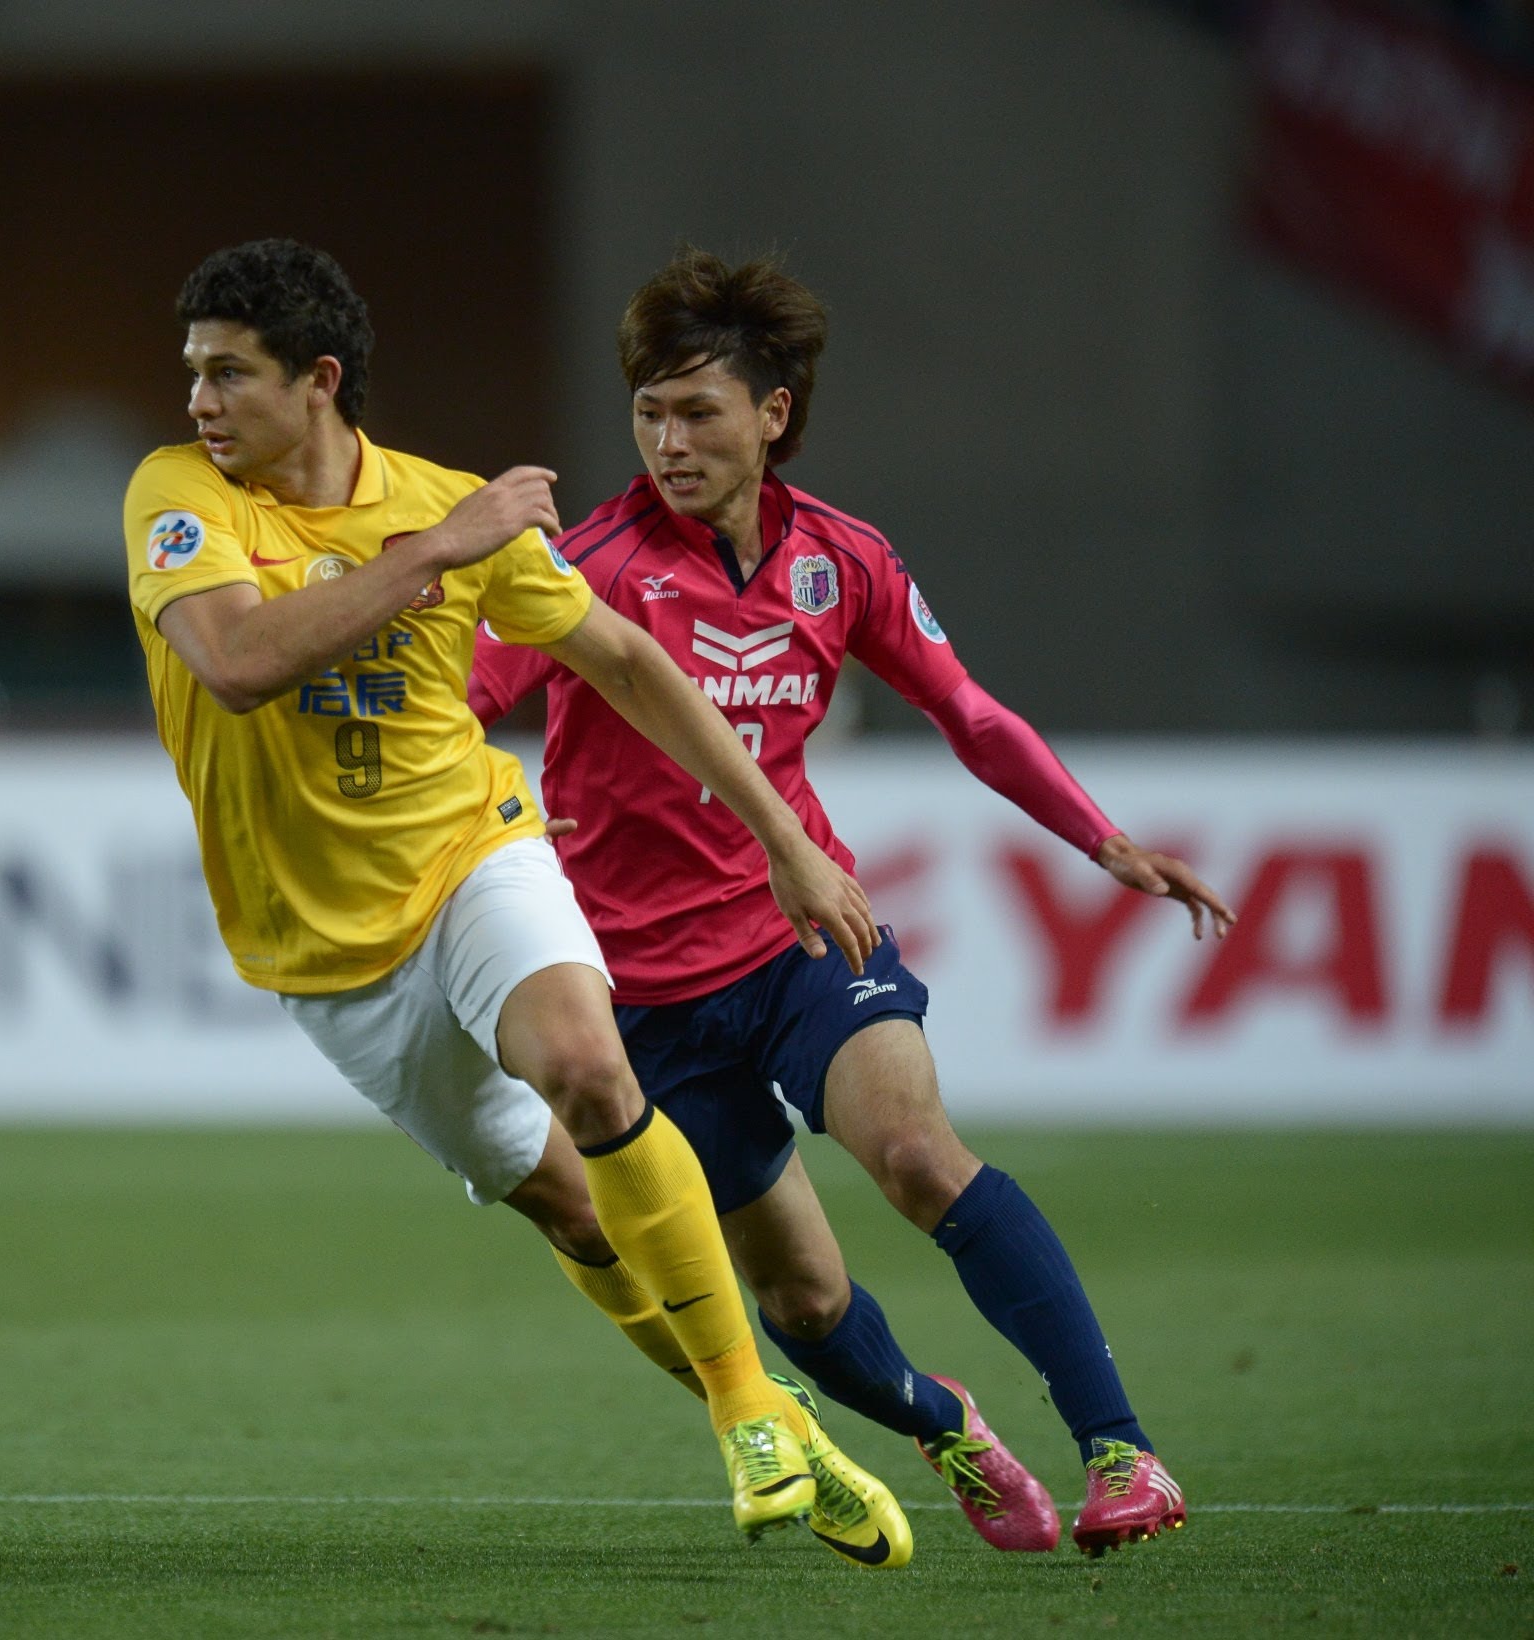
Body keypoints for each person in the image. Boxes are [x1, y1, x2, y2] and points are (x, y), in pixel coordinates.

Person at [124, 238, 910, 1565]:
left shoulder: (436, 501)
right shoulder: (182, 496)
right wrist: (442, 548)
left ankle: (747, 1423)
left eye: (228, 375)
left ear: (319, 381)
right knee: (576, 1207)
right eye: (192, 373)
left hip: (470, 850)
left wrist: (781, 831)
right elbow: (241, 663)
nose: (198, 402)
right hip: (325, 956)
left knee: (594, 1076)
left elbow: (625, 660)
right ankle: (777, 1409)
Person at [469, 250, 1238, 1558]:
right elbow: (464, 703)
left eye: (700, 411)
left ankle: (1126, 1453)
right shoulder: (581, 568)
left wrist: (1098, 837)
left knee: (920, 1158)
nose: (669, 440)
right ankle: (949, 1427)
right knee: (806, 1299)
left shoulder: (844, 559)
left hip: (802, 937)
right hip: (641, 999)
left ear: (775, 413)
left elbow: (969, 714)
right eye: (649, 413)